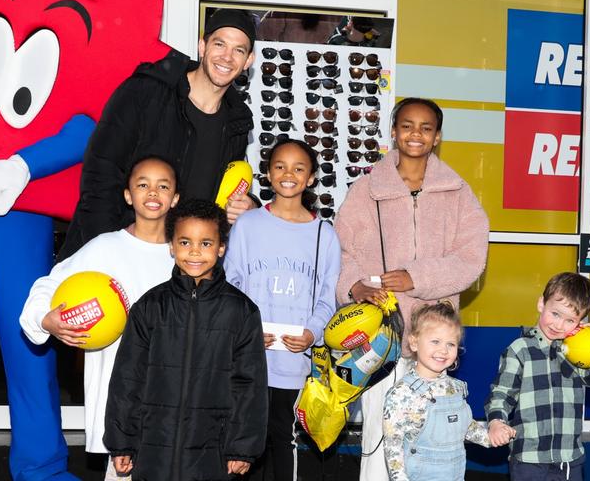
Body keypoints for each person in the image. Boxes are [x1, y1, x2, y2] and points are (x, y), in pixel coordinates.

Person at [334, 97, 490, 480]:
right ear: (392, 132)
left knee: (434, 437)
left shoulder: (457, 192)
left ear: (437, 137)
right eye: (406, 125)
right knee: (377, 437)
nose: (415, 134)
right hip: (379, 339)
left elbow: (471, 259)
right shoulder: (366, 189)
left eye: (425, 128)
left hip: (433, 342)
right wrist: (354, 286)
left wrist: (416, 277)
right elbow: (342, 249)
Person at [19, 156, 179, 479]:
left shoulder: (184, 254)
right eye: (142, 184)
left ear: (175, 198)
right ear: (127, 195)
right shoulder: (105, 248)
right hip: (123, 402)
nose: (152, 192)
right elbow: (49, 284)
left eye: (163, 186)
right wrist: (44, 319)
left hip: (175, 394)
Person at [58, 8, 258, 261]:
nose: (227, 57)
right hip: (117, 248)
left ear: (248, 60)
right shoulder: (146, 91)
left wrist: (248, 206)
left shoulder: (237, 123)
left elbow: (221, 194)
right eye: (219, 44)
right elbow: (101, 175)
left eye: (238, 50)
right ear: (202, 46)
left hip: (179, 265)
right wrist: (104, 248)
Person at [104, 199, 267, 480]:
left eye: (205, 243)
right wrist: (122, 442)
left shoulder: (241, 311)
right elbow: (128, 377)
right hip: (153, 448)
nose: (194, 252)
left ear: (221, 248)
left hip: (211, 451)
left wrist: (242, 447)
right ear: (171, 246)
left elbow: (249, 385)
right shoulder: (151, 306)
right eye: (185, 242)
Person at [224, 139, 341, 481]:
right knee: (240, 439)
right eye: (280, 166)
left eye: (298, 168)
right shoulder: (247, 225)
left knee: (284, 440)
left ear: (312, 178)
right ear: (267, 173)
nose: (288, 174)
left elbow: (326, 298)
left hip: (294, 361)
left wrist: (311, 333)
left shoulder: (325, 235)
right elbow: (231, 287)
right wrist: (246, 331)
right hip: (248, 359)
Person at [485, 272, 590, 481]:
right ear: (541, 304)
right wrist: (496, 422)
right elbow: (502, 393)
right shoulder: (520, 349)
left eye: (570, 320)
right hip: (528, 458)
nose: (558, 325)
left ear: (581, 322)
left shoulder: (577, 352)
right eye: (555, 314)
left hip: (569, 458)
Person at [383, 302, 514, 481]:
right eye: (435, 341)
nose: (443, 350)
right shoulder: (401, 393)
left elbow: (465, 427)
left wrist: (490, 437)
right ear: (414, 342)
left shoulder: (456, 388)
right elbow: (393, 446)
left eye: (451, 344)